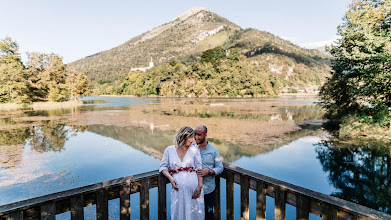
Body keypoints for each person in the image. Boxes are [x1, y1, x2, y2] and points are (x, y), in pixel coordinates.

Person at [159, 126, 204, 220]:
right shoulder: (169, 150)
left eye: (194, 137)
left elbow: (199, 168)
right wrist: (170, 178)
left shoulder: (194, 150)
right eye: (191, 137)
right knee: (178, 213)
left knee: (195, 214)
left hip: (194, 191)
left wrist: (200, 186)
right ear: (183, 137)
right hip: (178, 191)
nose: (193, 140)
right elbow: (163, 167)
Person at [194, 125, 224, 220]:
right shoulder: (191, 148)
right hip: (194, 189)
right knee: (194, 214)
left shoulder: (213, 150)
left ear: (205, 135)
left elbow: (220, 167)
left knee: (209, 214)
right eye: (194, 134)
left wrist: (209, 172)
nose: (196, 137)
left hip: (208, 190)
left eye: (199, 135)